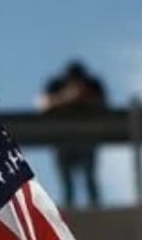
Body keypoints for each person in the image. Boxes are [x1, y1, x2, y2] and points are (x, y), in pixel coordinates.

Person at [38, 60, 107, 208]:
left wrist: (84, 98)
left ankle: (94, 209)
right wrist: (68, 97)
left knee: (90, 179)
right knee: (67, 184)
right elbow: (43, 104)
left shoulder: (92, 85)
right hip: (62, 140)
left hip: (86, 138)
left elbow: (103, 106)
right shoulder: (56, 85)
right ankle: (69, 211)